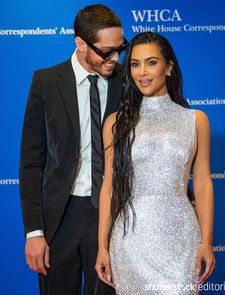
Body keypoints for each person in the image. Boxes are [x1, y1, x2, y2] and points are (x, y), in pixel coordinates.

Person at [96, 32, 215, 294]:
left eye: (151, 62)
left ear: (169, 66)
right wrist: (102, 247)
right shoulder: (116, 124)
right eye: (135, 64)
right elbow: (109, 188)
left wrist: (207, 241)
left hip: (182, 239)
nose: (142, 72)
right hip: (130, 241)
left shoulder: (196, 120)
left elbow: (204, 182)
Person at [19, 4, 126, 295]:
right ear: (80, 43)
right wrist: (35, 232)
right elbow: (31, 164)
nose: (115, 58)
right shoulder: (45, 82)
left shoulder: (127, 81)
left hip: (108, 214)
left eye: (120, 48)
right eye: (106, 51)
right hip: (58, 218)